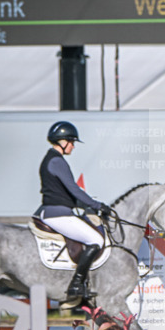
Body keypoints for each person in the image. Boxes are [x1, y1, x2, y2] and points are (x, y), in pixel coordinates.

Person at [36, 121, 109, 305]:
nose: (73, 146)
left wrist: (87, 206)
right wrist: (98, 205)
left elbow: (66, 193)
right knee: (96, 240)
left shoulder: (51, 159)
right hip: (57, 214)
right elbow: (74, 190)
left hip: (56, 211)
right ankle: (76, 284)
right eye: (72, 142)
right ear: (63, 141)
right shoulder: (57, 161)